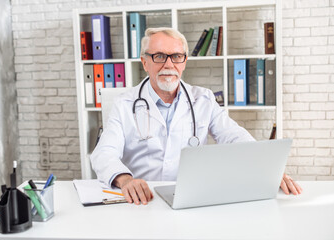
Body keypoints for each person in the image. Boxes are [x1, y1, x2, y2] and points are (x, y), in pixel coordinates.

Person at [91, 27, 302, 205]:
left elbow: (234, 136)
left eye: (176, 57)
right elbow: (104, 153)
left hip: (190, 198)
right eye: (159, 56)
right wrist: (126, 180)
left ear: (184, 61)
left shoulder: (203, 99)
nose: (168, 64)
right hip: (142, 199)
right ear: (145, 62)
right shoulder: (124, 103)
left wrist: (267, 168)